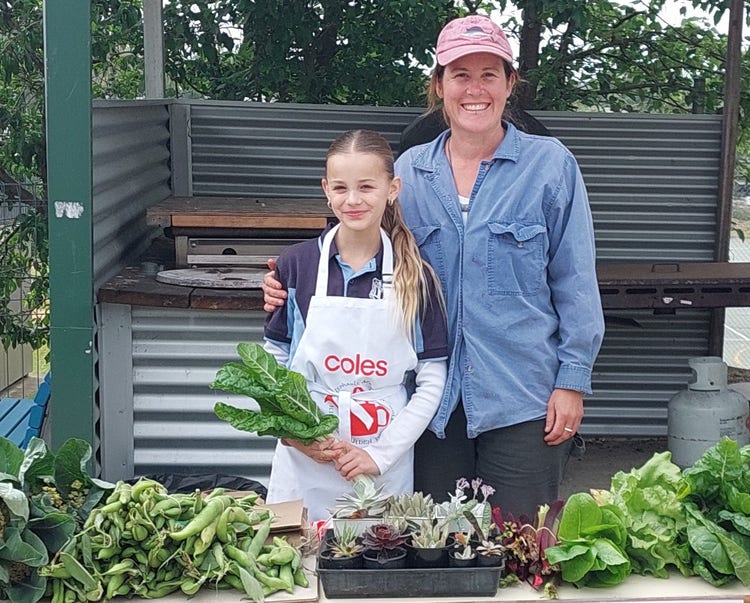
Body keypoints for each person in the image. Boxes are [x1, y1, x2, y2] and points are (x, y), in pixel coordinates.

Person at [264, 15, 604, 518]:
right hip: (426, 408)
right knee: (433, 546)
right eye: (460, 74)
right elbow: (357, 248)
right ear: (439, 85)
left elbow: (575, 281)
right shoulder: (407, 173)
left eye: (489, 74)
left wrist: (572, 380)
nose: (475, 89)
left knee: (518, 548)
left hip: (522, 397)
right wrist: (285, 282)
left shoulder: (550, 166)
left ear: (510, 84)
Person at [263, 129, 448, 523]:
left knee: (377, 561)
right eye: (341, 188)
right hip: (304, 460)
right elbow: (272, 362)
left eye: (366, 186)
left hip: (383, 458)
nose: (353, 200)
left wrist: (378, 455)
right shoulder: (296, 265)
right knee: (295, 563)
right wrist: (294, 432)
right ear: (326, 190)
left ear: (392, 189)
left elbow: (432, 381)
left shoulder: (416, 276)